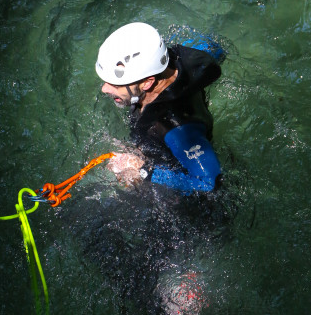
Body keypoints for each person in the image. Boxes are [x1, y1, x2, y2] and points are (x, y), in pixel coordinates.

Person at [95, 22, 223, 193]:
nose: (104, 89)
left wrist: (143, 171)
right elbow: (213, 49)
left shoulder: (176, 127)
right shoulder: (173, 60)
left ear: (147, 83)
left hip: (181, 192)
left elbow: (210, 184)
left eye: (115, 84)